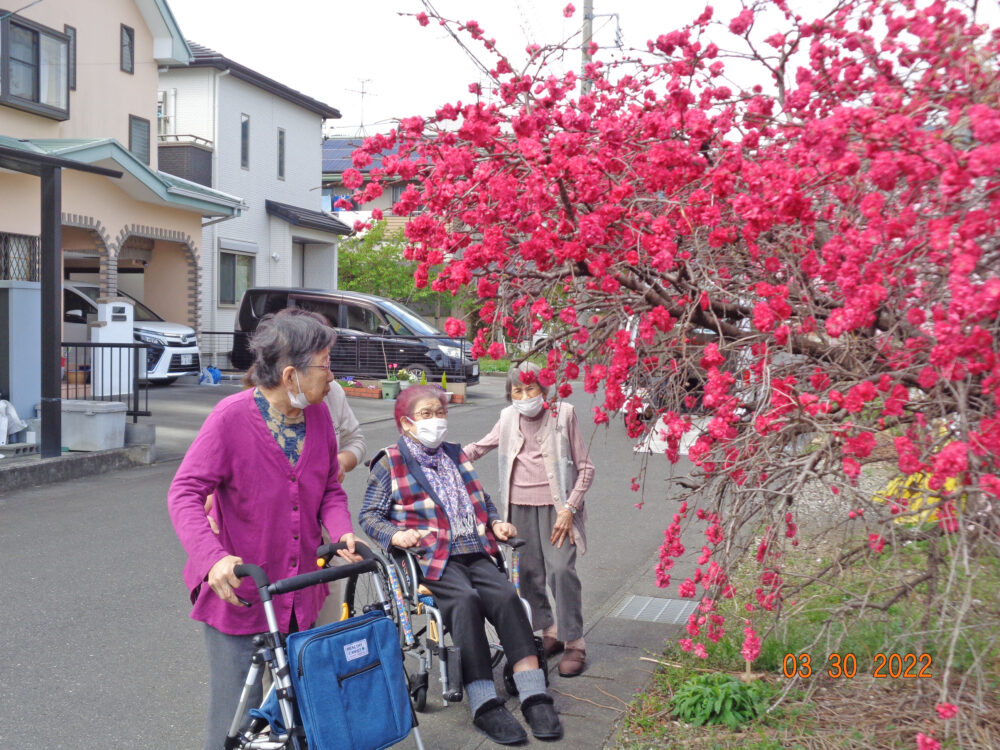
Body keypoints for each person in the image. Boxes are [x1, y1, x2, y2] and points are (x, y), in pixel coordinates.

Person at [168, 309, 361, 750]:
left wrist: (341, 530)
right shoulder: (230, 417)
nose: (332, 376)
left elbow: (330, 488)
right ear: (291, 374)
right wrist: (212, 558)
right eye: (326, 364)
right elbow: (184, 492)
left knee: (296, 710)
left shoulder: (318, 419)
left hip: (300, 593)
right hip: (243, 594)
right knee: (237, 717)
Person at [360, 385, 563, 744]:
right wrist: (394, 535)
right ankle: (484, 700)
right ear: (406, 423)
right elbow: (370, 515)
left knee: (505, 597)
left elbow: (480, 499)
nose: (436, 420)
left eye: (440, 413)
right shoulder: (390, 460)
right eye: (426, 414)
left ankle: (533, 692)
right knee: (465, 601)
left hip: (474, 547)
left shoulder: (456, 454)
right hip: (431, 556)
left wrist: (496, 523)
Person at [463, 362, 595, 678]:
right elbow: (479, 447)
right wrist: (437, 457)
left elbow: (586, 468)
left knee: (561, 571)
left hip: (557, 510)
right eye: (517, 391)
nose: (524, 396)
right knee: (529, 575)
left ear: (544, 389)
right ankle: (549, 631)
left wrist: (570, 509)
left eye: (531, 388)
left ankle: (574, 641)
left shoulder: (564, 414)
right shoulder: (508, 417)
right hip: (518, 508)